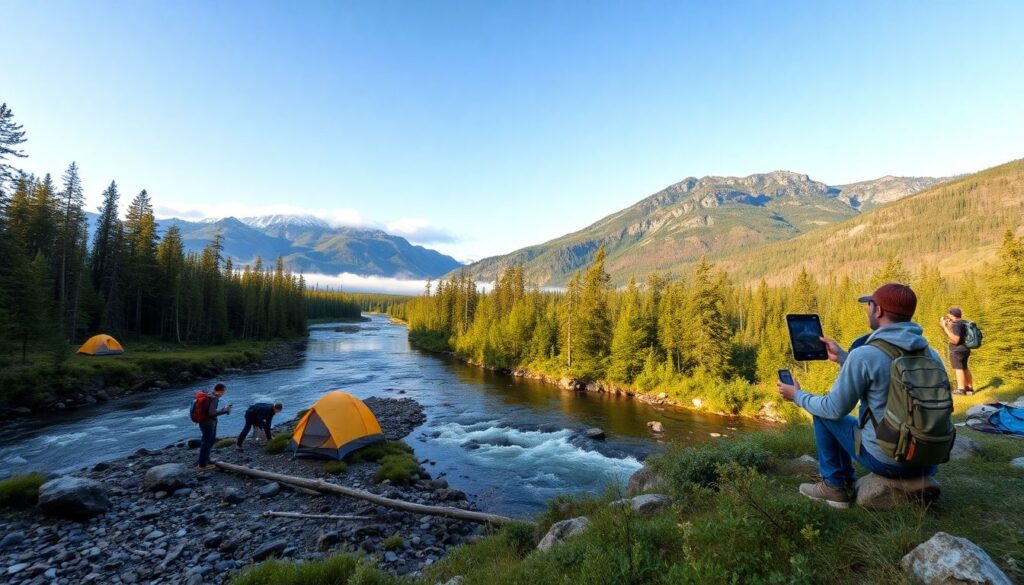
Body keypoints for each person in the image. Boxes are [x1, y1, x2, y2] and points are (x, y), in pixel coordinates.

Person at [777, 283, 941, 508]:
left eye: (869, 305)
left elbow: (834, 408)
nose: (867, 310)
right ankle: (914, 480)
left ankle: (835, 487)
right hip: (929, 459)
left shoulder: (865, 354)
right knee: (842, 417)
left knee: (824, 414)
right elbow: (885, 373)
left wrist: (797, 395)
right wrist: (845, 358)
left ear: (879, 311)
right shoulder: (932, 354)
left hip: (889, 461)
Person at [196, 383, 232, 471]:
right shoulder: (214, 398)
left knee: (209, 441)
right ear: (221, 390)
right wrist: (225, 410)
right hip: (208, 423)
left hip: (204, 422)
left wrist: (222, 409)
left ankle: (206, 460)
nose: (224, 393)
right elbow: (211, 413)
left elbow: (209, 411)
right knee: (207, 442)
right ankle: (202, 465)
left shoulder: (209, 395)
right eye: (224, 391)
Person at [940, 306, 974, 395]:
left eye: (948, 314)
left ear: (951, 315)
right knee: (965, 367)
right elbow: (957, 334)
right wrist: (948, 325)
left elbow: (955, 339)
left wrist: (944, 327)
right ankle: (969, 387)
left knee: (958, 368)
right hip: (965, 348)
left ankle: (961, 389)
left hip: (957, 349)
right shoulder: (964, 322)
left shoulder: (956, 325)